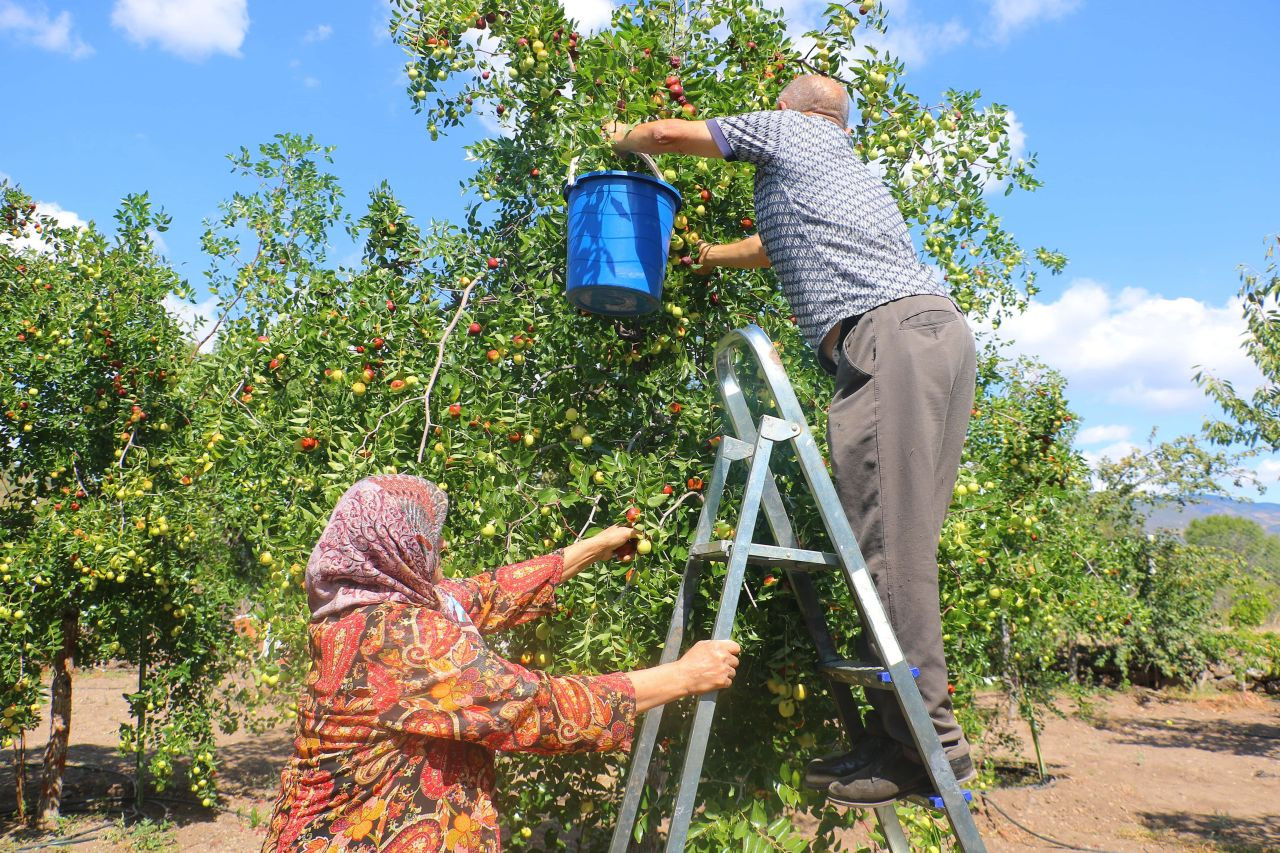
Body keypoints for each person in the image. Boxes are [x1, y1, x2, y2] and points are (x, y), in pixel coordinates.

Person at [606, 73, 977, 806]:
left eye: (773, 102)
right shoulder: (839, 169)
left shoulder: (794, 130)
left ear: (796, 110)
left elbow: (669, 135)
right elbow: (776, 249)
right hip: (936, 335)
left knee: (890, 550)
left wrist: (618, 138)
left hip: (888, 339)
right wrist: (710, 256)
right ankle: (897, 736)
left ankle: (930, 748)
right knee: (902, 542)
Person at [262, 474, 740, 851]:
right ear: (394, 545)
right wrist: (682, 675)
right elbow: (532, 706)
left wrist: (594, 547)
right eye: (430, 537)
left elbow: (487, 594)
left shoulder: (359, 611)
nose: (441, 547)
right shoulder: (398, 637)